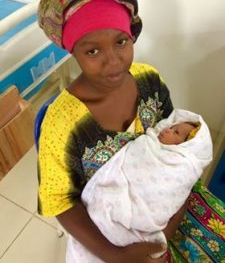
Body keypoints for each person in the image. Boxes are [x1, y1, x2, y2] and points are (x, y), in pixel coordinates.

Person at [37, 0, 225, 263]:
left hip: (166, 207)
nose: (113, 61)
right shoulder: (62, 124)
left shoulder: (149, 80)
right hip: (108, 234)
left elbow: (176, 150)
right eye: (93, 51)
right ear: (72, 51)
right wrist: (115, 256)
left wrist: (170, 221)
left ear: (132, 35)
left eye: (121, 42)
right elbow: (59, 200)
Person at [74, 109, 212, 262]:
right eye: (172, 126)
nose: (168, 129)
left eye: (176, 132)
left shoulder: (181, 165)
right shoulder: (148, 144)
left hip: (147, 223)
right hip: (109, 209)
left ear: (185, 148)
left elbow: (174, 193)